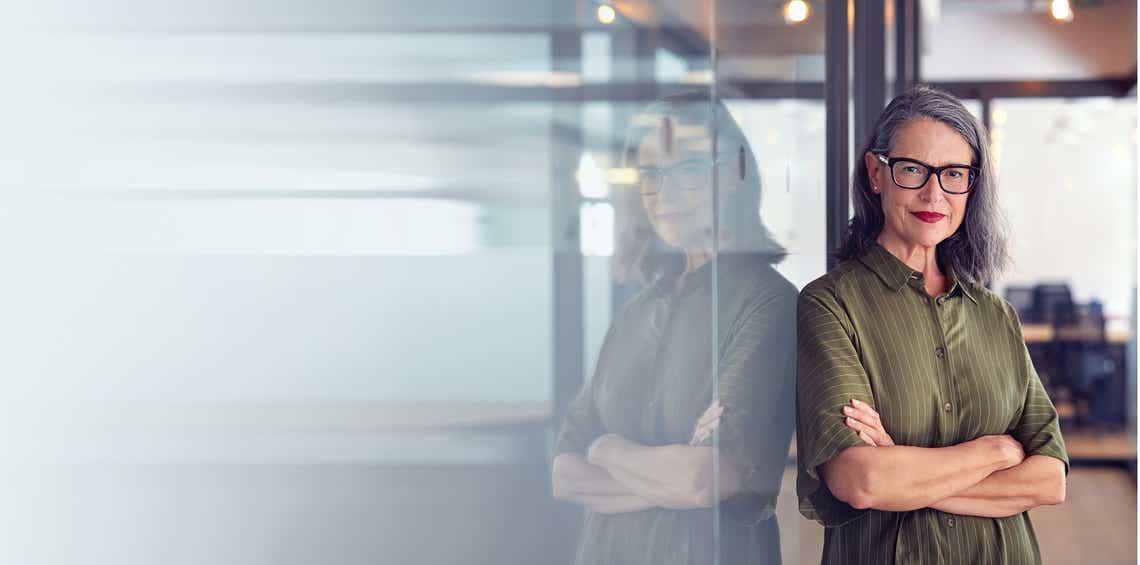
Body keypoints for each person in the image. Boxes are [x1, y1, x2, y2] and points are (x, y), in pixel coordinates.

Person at [796, 85, 1068, 565]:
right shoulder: (829, 304)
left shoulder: (995, 314)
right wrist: (996, 453)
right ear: (876, 173)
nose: (933, 193)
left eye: (953, 174)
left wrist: (908, 474)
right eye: (913, 170)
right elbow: (862, 480)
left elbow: (1049, 479)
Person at [551, 91, 797, 565]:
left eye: (686, 170)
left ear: (732, 174)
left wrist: (607, 447)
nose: (664, 194)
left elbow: (703, 479)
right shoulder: (637, 311)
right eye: (650, 174)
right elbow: (565, 474)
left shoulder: (770, 303)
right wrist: (664, 477)